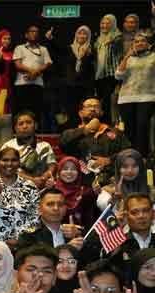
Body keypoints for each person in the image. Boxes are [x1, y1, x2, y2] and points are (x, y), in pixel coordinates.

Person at [58, 97, 129, 183]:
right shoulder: (70, 133)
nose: (92, 109)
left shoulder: (115, 132)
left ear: (102, 112)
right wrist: (85, 130)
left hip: (110, 181)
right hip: (79, 181)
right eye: (88, 106)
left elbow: (128, 154)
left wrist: (109, 160)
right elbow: (62, 144)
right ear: (80, 113)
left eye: (96, 106)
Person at [81, 193, 155, 269]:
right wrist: (110, 227)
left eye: (145, 211)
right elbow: (89, 260)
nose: (141, 216)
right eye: (134, 212)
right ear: (126, 215)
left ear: (153, 214)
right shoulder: (118, 242)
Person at [115, 31, 155, 159]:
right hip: (126, 97)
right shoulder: (128, 58)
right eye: (136, 41)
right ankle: (129, 157)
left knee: (142, 126)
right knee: (129, 129)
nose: (139, 43)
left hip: (147, 96)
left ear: (148, 44)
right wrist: (127, 56)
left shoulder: (153, 56)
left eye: (142, 41)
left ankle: (142, 157)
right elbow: (118, 75)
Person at [0, 111, 56, 187]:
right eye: (21, 124)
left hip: (41, 187)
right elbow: (5, 169)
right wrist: (32, 180)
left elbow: (52, 166)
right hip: (14, 188)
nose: (25, 126)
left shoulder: (45, 146)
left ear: (35, 125)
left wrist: (43, 178)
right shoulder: (8, 146)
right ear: (15, 128)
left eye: (29, 122)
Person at [11, 25, 52, 126]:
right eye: (32, 31)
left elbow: (48, 64)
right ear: (26, 35)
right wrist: (32, 71)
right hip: (21, 84)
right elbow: (18, 64)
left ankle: (35, 132)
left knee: (36, 111)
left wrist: (35, 73)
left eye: (36, 32)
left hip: (37, 84)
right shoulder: (19, 48)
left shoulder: (43, 49)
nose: (34, 33)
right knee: (21, 111)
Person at [16, 187, 80, 250]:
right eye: (50, 204)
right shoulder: (28, 235)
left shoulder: (73, 231)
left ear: (66, 209)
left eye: (60, 204)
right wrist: (66, 250)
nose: (56, 208)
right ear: (39, 209)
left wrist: (78, 235)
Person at [94, 148, 152, 213]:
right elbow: (105, 208)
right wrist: (115, 199)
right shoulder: (109, 191)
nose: (130, 170)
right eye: (125, 166)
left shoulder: (150, 188)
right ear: (118, 169)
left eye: (134, 166)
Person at [59, 26, 96, 124]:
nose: (82, 36)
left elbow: (91, 70)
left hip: (85, 86)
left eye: (85, 34)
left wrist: (85, 55)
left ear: (88, 37)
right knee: (71, 110)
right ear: (76, 35)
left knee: (85, 110)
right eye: (80, 33)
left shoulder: (91, 50)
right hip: (70, 85)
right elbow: (57, 51)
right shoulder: (69, 48)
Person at [53, 155, 98, 228]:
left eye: (73, 169)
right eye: (65, 169)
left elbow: (90, 224)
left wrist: (78, 232)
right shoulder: (52, 192)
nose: (69, 172)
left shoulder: (86, 193)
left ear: (79, 173)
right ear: (59, 172)